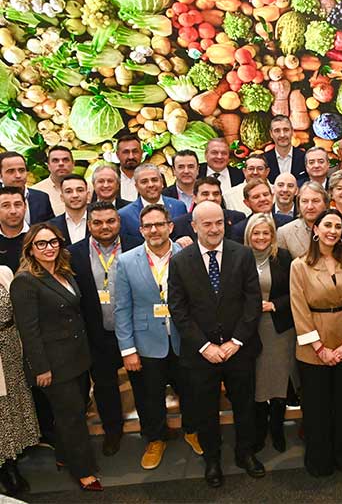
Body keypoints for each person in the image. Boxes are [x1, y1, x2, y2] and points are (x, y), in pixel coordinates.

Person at [168, 201, 264, 488]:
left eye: (219, 222)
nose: (214, 229)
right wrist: (204, 346)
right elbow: (178, 310)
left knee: (245, 406)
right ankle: (212, 460)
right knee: (205, 411)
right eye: (207, 224)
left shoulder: (242, 254)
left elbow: (253, 302)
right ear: (194, 226)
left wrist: (236, 341)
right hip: (201, 355)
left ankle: (245, 453)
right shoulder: (180, 261)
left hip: (239, 350)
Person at [9, 223, 101, 491]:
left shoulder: (64, 272)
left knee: (74, 411)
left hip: (77, 358)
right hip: (53, 365)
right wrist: (41, 368)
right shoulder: (25, 281)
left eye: (53, 242)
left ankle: (64, 454)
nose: (48, 248)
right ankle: (84, 471)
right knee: (71, 418)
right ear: (30, 249)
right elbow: (28, 331)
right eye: (41, 243)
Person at [113, 205, 202, 471]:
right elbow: (122, 308)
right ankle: (155, 439)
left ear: (170, 226)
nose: (154, 230)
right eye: (148, 226)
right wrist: (128, 349)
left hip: (184, 339)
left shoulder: (189, 255)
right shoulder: (126, 261)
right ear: (141, 230)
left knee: (191, 391)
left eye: (159, 224)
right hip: (146, 342)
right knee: (149, 396)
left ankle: (192, 430)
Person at [290, 208, 342, 477]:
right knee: (317, 407)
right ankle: (319, 462)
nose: (332, 231)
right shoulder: (299, 265)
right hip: (314, 346)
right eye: (327, 225)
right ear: (315, 229)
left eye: (337, 226)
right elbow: (299, 309)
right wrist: (320, 349)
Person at [68, 202, 142, 457]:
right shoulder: (73, 254)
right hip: (97, 333)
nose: (105, 227)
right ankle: (113, 431)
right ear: (89, 225)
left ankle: (154, 429)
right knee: (104, 386)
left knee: (144, 383)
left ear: (119, 221)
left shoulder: (137, 245)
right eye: (97, 222)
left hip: (135, 331)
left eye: (110, 221)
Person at [243, 214, 297, 454]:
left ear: (273, 235)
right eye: (256, 233)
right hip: (249, 330)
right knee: (256, 383)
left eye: (266, 233)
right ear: (248, 235)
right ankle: (259, 430)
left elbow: (295, 291)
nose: (261, 237)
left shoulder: (283, 257)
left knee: (278, 381)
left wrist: (274, 304)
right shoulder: (239, 258)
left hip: (279, 329)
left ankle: (277, 428)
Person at [0, 265, 39, 496]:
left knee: (12, 405)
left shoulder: (4, 272)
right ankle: (5, 466)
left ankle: (11, 458)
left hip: (11, 349)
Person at [118, 164, 187, 237]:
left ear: (162, 182)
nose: (150, 185)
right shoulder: (125, 215)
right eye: (144, 182)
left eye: (154, 180)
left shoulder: (179, 207)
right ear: (136, 186)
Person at [170, 176, 246, 241]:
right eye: (205, 194)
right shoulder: (179, 225)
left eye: (216, 194)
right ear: (194, 198)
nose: (211, 198)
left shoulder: (237, 218)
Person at [230, 179, 293, 243]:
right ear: (247, 203)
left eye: (265, 195)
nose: (263, 199)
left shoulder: (288, 223)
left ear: (272, 197)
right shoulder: (240, 230)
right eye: (256, 197)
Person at [277, 181, 329, 258]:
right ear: (298, 204)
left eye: (315, 201)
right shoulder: (284, 233)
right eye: (305, 201)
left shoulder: (336, 228)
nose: (310, 207)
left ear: (326, 204)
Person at [0, 152, 53, 224]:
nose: (18, 175)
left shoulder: (41, 198)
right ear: (0, 175)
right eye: (11, 171)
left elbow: (51, 226)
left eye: (21, 170)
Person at [32, 145, 74, 216]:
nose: (61, 164)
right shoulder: (36, 192)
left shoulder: (88, 187)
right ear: (48, 166)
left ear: (73, 164)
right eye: (55, 160)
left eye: (65, 160)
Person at [48, 174, 89, 244]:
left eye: (80, 190)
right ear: (62, 197)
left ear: (88, 195)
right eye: (68, 191)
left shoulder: (99, 222)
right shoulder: (51, 226)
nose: (75, 195)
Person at [265, 114, 306, 182]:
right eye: (277, 131)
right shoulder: (264, 160)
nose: (282, 135)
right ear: (271, 134)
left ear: (292, 131)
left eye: (286, 130)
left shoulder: (305, 158)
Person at [0, 187, 28, 273]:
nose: (13, 211)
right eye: (6, 206)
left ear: (25, 207)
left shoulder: (38, 237)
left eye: (17, 205)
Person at [116, 134, 143, 202]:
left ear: (141, 153)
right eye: (126, 152)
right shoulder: (108, 180)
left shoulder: (154, 178)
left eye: (135, 151)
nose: (131, 156)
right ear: (117, 155)